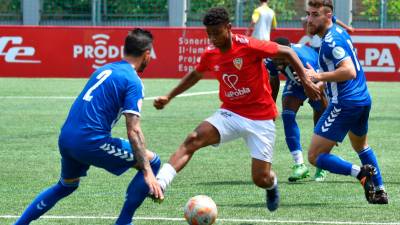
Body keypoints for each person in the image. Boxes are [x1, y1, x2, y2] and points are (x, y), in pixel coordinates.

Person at [152, 7, 320, 212]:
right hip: (230, 113)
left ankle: (272, 184)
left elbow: (287, 51)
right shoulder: (211, 53)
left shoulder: (249, 45)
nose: (213, 38)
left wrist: (305, 80)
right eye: (209, 34)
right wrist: (169, 96)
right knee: (193, 139)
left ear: (229, 28)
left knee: (261, 178)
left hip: (261, 118)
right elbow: (195, 75)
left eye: (217, 32)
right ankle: (160, 184)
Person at [14, 28, 164, 225]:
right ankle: (124, 222)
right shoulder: (133, 81)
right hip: (91, 142)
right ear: (146, 54)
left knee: (66, 186)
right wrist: (147, 173)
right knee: (152, 162)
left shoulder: (104, 69)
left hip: (66, 138)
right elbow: (134, 129)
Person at [305, 0, 388, 204]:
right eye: (308, 14)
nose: (309, 19)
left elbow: (348, 71)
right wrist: (323, 84)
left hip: (345, 103)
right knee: (361, 146)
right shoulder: (340, 33)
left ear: (328, 15)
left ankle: (360, 173)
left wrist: (318, 77)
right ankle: (380, 191)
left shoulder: (331, 42)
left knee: (315, 156)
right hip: (362, 100)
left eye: (315, 14)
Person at [266, 37, 328, 182]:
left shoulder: (304, 58)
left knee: (320, 122)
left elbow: (324, 80)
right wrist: (271, 105)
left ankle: (322, 165)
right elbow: (273, 80)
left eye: (281, 61)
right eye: (276, 61)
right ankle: (299, 164)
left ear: (289, 54)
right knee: (287, 115)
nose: (279, 65)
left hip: (315, 81)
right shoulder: (271, 58)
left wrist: (327, 120)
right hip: (295, 82)